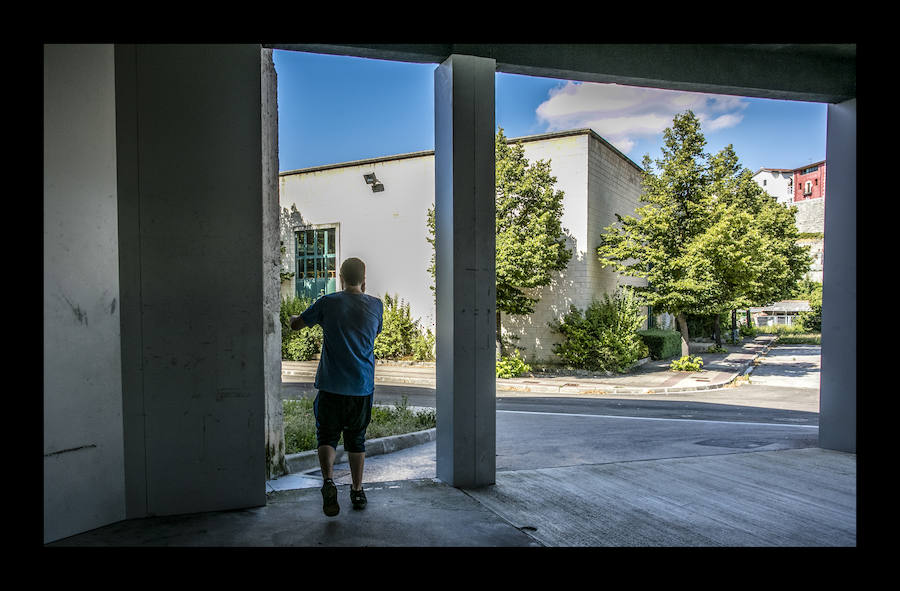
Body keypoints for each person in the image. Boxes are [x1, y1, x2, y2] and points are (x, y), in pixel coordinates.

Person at [290, 257, 383, 517]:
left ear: (340, 277)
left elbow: (298, 324)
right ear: (364, 279)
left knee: (327, 436)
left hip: (331, 387)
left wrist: (292, 319)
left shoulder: (328, 302)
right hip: (361, 388)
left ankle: (329, 481)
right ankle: (357, 489)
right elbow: (373, 333)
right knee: (357, 440)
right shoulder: (376, 306)